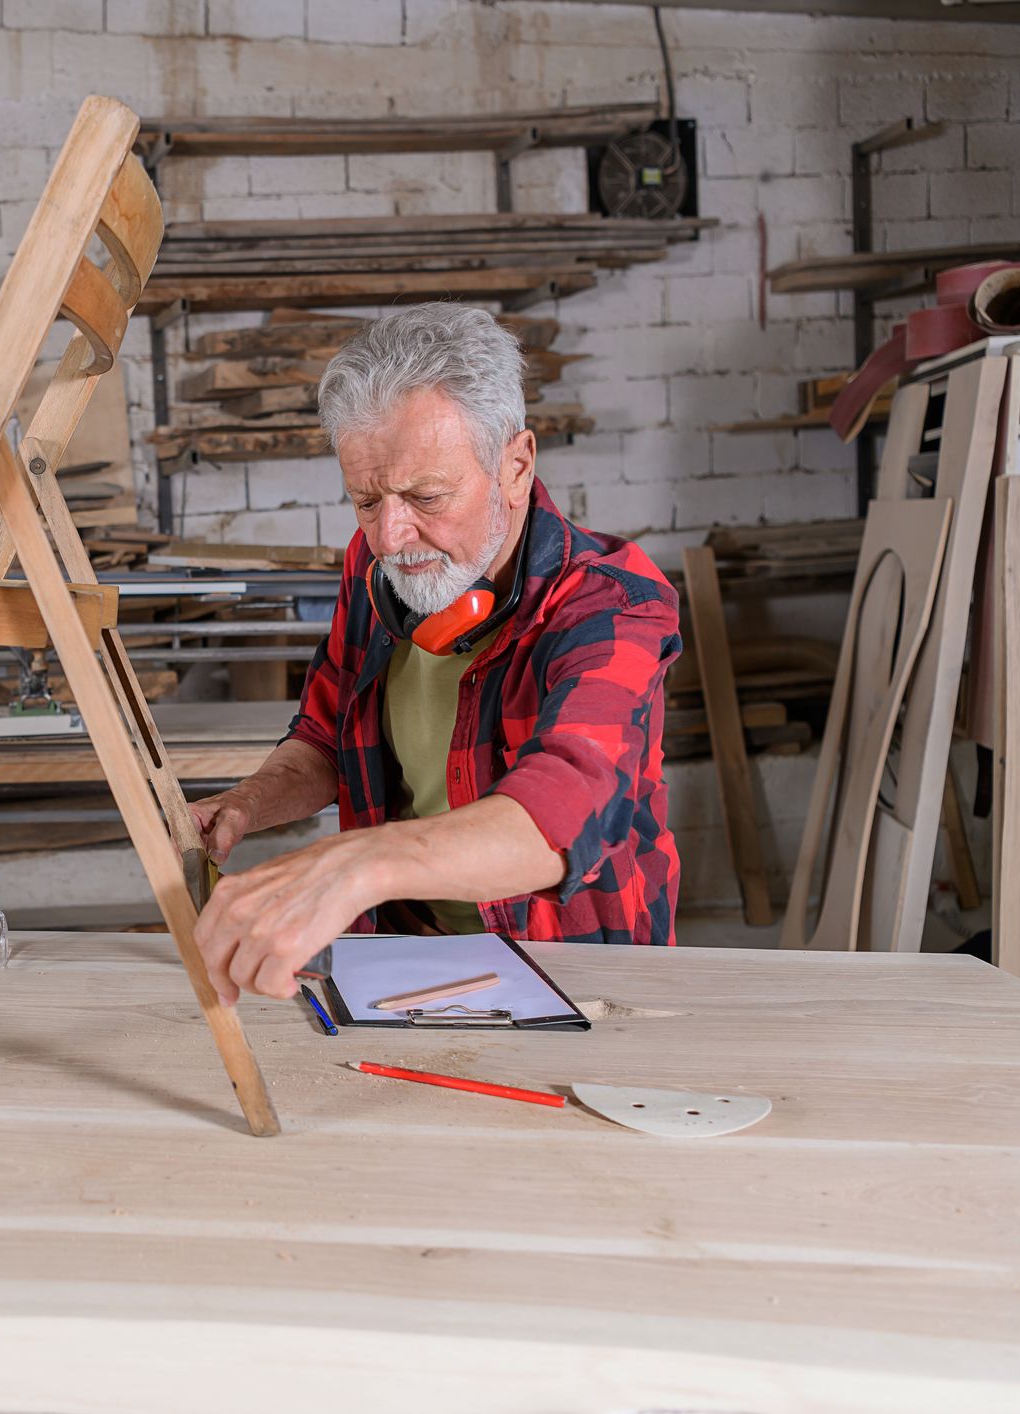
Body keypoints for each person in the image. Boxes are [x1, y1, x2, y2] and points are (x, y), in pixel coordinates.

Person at [190, 303, 682, 1005]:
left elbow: (560, 816)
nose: (390, 536)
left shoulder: (611, 605)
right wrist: (245, 805)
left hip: (574, 970)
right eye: (365, 501)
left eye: (426, 496)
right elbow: (327, 737)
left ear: (515, 466)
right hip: (403, 955)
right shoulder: (376, 566)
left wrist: (350, 865)